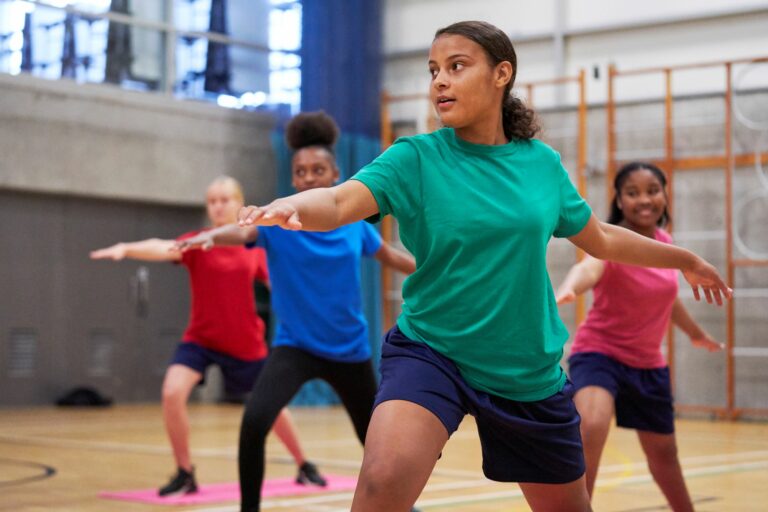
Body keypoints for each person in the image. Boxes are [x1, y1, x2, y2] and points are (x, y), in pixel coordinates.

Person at [231, 21, 732, 512]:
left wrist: (684, 259)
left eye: (456, 66)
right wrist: (297, 206)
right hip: (432, 350)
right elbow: (340, 202)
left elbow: (599, 238)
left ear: (501, 75)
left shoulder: (541, 165)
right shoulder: (415, 159)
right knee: (381, 485)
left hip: (524, 368)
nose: (439, 81)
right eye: (433, 71)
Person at [177, 112, 416, 511]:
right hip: (296, 348)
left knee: (376, 441)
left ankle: (403, 505)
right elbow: (241, 232)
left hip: (350, 351)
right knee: (254, 423)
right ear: (293, 179)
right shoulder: (276, 223)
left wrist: (437, 268)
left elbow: (391, 257)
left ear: (335, 174)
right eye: (301, 172)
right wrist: (209, 236)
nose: (308, 177)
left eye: (317, 170)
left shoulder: (355, 226)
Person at [90, 176, 325, 496]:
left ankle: (304, 464)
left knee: (274, 409)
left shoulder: (254, 243)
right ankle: (185, 472)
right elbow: (163, 247)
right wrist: (126, 248)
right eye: (212, 201)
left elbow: (280, 285)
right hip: (201, 340)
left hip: (245, 344)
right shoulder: (199, 241)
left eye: (224, 199)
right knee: (173, 391)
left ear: (238, 203)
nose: (217, 206)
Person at [556, 162, 724, 511]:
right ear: (619, 199)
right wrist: (570, 288)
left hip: (648, 364)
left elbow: (667, 299)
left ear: (665, 194)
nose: (644, 200)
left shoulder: (665, 244)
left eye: (653, 190)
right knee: (592, 424)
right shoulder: (611, 241)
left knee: (664, 453)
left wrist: (696, 334)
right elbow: (589, 267)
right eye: (633, 193)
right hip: (599, 354)